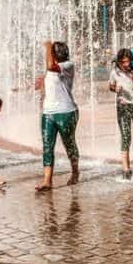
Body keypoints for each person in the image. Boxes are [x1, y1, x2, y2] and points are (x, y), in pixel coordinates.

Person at [38, 41, 80, 191]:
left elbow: (50, 66)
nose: (49, 54)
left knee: (69, 144)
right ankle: (47, 180)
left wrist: (48, 45)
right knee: (47, 147)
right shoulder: (51, 68)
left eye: (52, 52)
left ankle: (75, 172)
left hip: (66, 112)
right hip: (48, 113)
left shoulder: (68, 65)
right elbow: (48, 79)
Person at [108, 47, 133, 180]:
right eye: (123, 62)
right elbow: (110, 86)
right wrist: (115, 88)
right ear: (118, 62)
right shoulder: (115, 72)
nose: (126, 64)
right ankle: (126, 168)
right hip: (123, 106)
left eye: (128, 61)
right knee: (125, 136)